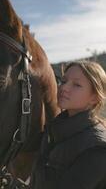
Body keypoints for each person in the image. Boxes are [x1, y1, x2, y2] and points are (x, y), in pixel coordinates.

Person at [30, 60, 106, 189]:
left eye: (76, 85)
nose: (63, 88)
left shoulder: (97, 148)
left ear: (94, 97)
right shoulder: (53, 131)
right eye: (64, 81)